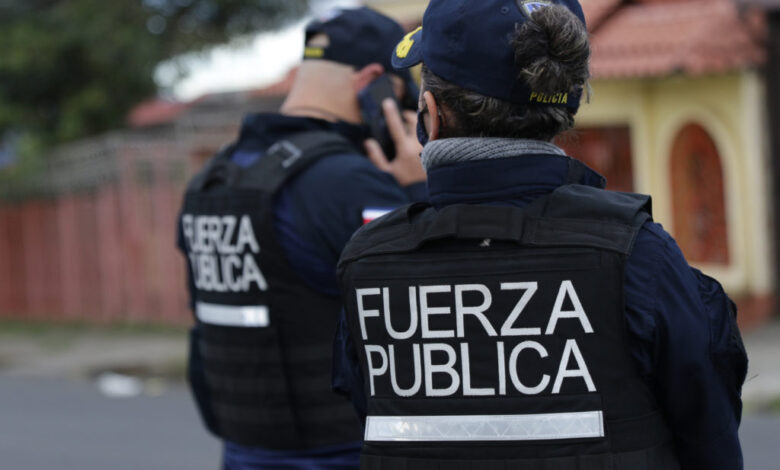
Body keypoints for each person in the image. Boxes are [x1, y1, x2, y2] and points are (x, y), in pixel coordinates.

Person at [333, 1, 749, 469]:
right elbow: (710, 436)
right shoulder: (639, 255)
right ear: (564, 106)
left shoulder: (366, 264)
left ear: (431, 111)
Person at [177, 7, 427, 469]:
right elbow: (430, 303)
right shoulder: (348, 182)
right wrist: (417, 189)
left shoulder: (214, 178)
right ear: (372, 82)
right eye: (400, 93)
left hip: (243, 448)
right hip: (344, 451)